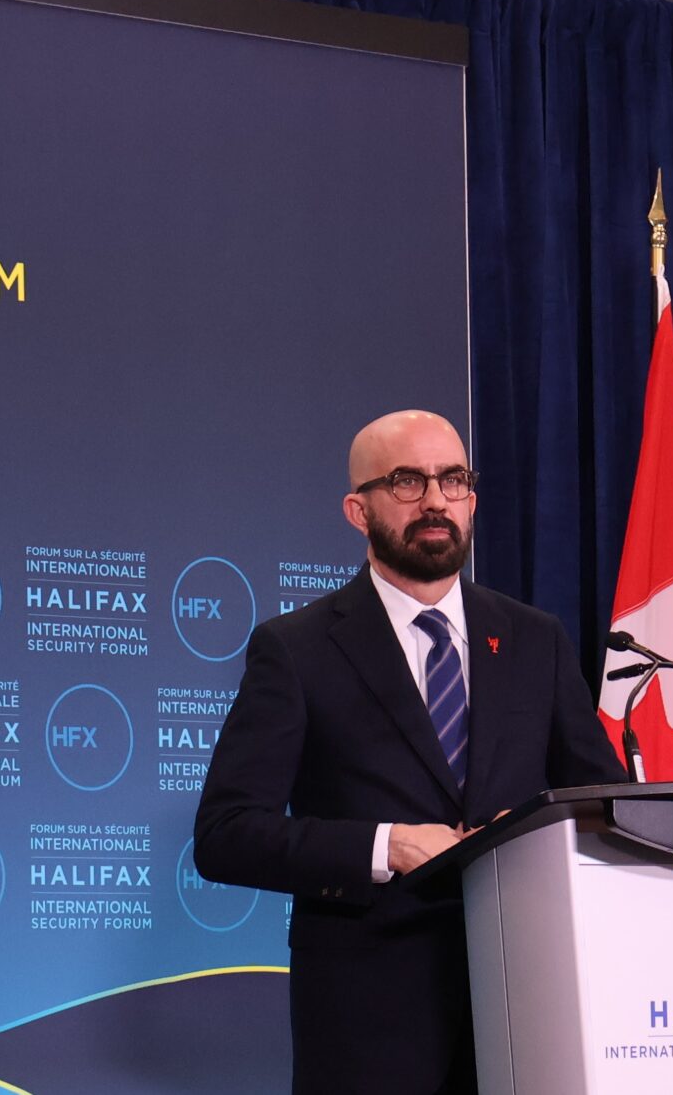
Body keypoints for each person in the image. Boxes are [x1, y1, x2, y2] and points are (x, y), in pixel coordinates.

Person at [193, 409, 623, 1094]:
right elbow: (225, 834)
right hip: (371, 1025)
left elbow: (602, 803)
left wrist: (534, 833)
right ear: (357, 510)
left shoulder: (535, 638)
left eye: (453, 479)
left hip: (529, 1004)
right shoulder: (296, 649)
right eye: (406, 480)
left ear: (472, 499)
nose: (434, 499)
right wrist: (384, 845)